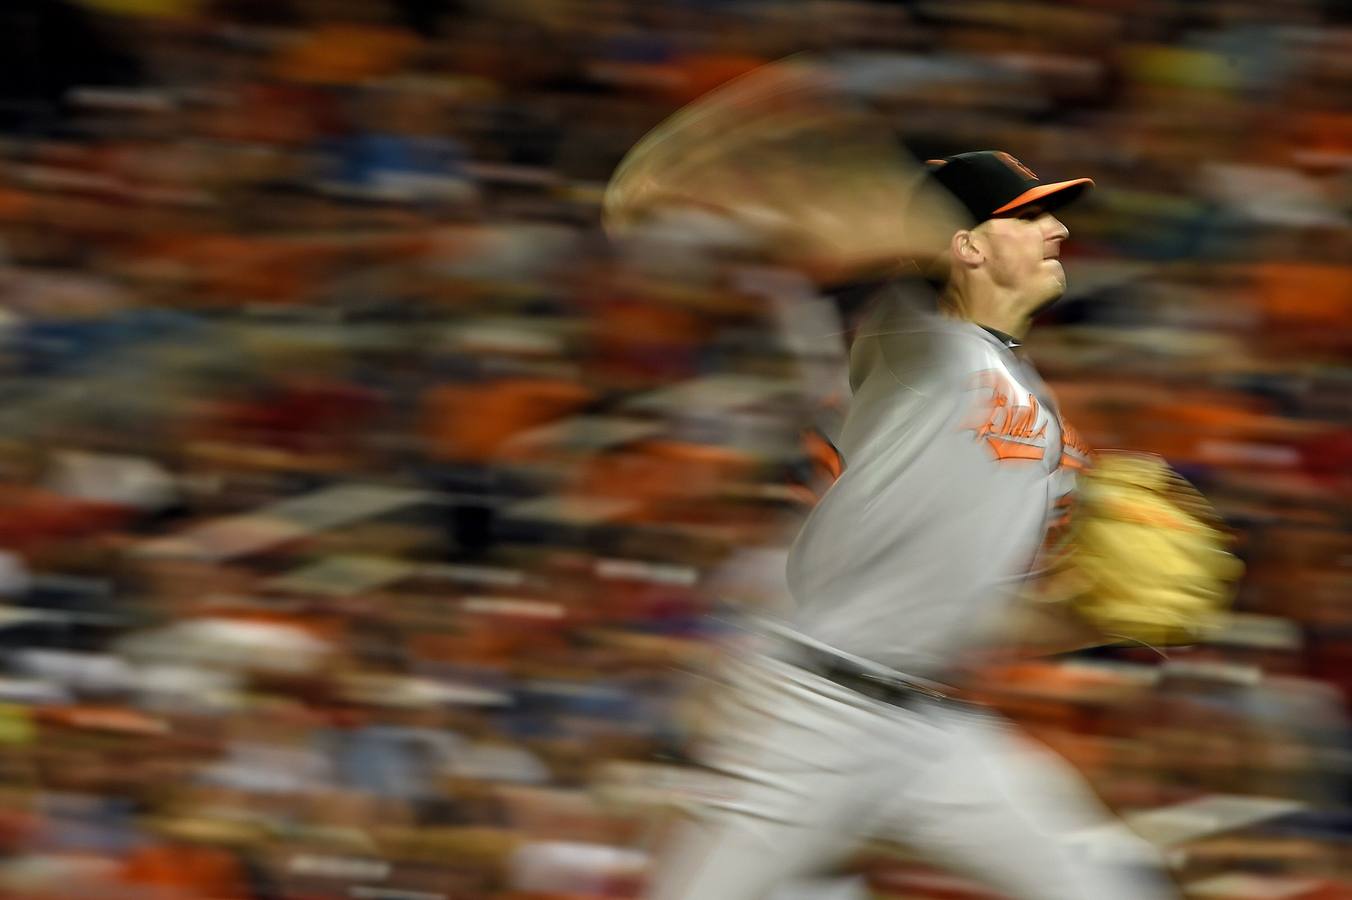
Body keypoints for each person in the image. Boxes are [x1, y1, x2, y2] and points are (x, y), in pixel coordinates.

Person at [645, 151, 1178, 900]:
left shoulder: (1041, 413)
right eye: (1027, 216)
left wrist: (1101, 611)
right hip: (814, 713)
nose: (1055, 228)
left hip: (936, 729)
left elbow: (998, 608)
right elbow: (867, 240)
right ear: (963, 247)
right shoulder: (914, 344)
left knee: (1113, 885)